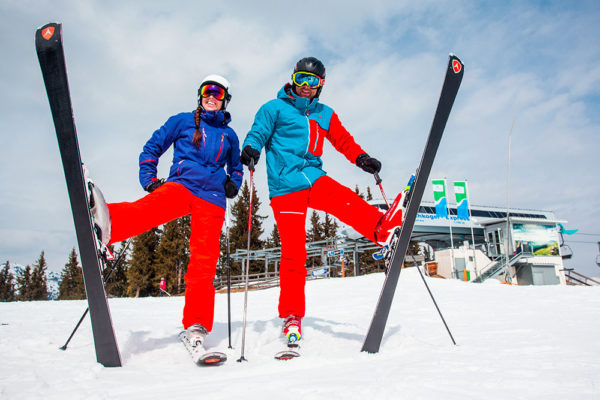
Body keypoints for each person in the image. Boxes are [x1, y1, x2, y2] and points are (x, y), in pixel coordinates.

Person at [240, 57, 404, 344]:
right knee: (294, 253)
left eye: (312, 81)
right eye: (301, 79)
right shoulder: (273, 108)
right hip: (284, 186)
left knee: (343, 199)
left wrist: (361, 158)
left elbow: (343, 140)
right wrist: (251, 148)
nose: (306, 86)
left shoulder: (325, 113)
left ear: (321, 85)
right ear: (293, 79)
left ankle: (381, 229)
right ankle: (292, 316)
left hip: (312, 177)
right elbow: (258, 131)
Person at [91, 74, 243, 349]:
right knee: (149, 210)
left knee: (204, 261)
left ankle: (196, 324)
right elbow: (153, 146)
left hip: (212, 198)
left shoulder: (230, 135)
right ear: (200, 96)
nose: (211, 96)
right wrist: (148, 177)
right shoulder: (182, 121)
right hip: (182, 184)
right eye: (207, 91)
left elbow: (237, 167)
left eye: (217, 93)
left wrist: (234, 182)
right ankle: (108, 224)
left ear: (225, 100)